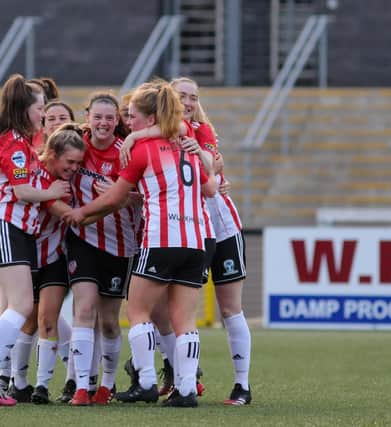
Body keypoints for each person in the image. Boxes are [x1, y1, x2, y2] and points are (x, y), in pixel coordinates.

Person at [63, 81, 217, 408]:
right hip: (196, 242)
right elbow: (211, 189)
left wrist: (81, 213)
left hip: (161, 239)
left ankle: (146, 381)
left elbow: (116, 197)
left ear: (148, 118)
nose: (127, 123)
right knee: (184, 320)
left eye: (132, 117)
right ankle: (186, 389)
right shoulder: (186, 141)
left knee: (138, 311)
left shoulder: (141, 149)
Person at [119, 77, 251, 405]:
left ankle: (241, 385)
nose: (189, 102)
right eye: (182, 96)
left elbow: (209, 171)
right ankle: (180, 376)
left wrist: (136, 135)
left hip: (218, 226)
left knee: (229, 308)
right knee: (167, 310)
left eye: (194, 97)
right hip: (189, 231)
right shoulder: (168, 134)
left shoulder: (199, 131)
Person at [0, 74, 70, 406]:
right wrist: (51, 192)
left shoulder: (18, 142)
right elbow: (22, 191)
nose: (43, 114)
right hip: (8, 227)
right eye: (40, 108)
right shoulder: (15, 145)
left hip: (12, 229)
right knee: (22, 307)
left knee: (9, 308)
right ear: (25, 109)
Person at [65, 92, 139, 406]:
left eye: (110, 118)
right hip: (82, 240)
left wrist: (121, 195)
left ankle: (107, 384)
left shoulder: (126, 153)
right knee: (83, 311)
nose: (104, 123)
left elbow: (144, 195)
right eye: (98, 117)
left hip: (119, 245)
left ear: (117, 121)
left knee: (109, 321)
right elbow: (48, 163)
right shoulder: (75, 146)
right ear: (88, 117)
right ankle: (82, 385)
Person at [28, 123, 86, 404]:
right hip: (25, 256)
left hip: (55, 257)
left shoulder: (70, 181)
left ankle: (41, 386)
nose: (74, 168)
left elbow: (66, 212)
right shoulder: (30, 171)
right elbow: (0, 180)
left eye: (78, 163)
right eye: (69, 162)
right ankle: (11, 378)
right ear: (51, 153)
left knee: (46, 319)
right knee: (24, 321)